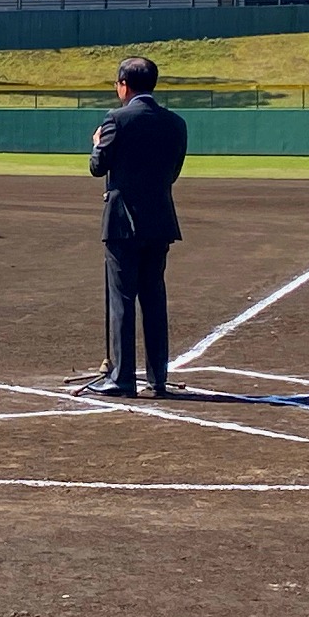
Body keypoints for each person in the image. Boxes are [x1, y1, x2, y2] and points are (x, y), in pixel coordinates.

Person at [86, 56, 188, 399]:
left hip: (123, 222)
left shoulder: (116, 119)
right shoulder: (175, 123)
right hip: (160, 220)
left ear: (124, 84)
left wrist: (98, 142)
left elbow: (98, 167)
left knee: (122, 299)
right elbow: (172, 172)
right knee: (154, 298)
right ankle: (157, 377)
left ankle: (122, 377)